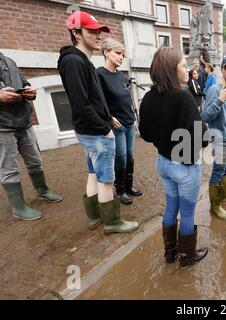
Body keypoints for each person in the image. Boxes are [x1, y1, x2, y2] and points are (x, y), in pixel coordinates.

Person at [58, 11, 139, 233]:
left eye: (98, 31)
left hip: (93, 129)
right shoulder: (74, 61)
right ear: (76, 33)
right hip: (95, 131)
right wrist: (106, 129)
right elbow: (81, 104)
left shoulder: (80, 60)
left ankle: (95, 218)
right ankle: (113, 223)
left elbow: (92, 100)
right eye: (91, 31)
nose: (97, 35)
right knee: (106, 179)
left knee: (94, 174)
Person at [139, 47, 209, 267]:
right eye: (183, 65)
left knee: (171, 207)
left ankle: (170, 253)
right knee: (187, 212)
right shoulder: (184, 97)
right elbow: (202, 138)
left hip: (163, 163)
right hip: (185, 166)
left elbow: (146, 134)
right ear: (172, 70)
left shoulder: (148, 97)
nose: (187, 69)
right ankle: (187, 256)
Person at [0, 53, 63, 221]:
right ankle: (18, 207)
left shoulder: (8, 60)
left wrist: (29, 90)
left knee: (35, 160)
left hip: (23, 120)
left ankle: (43, 191)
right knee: (9, 168)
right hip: (3, 127)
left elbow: (22, 81)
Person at [96, 38, 143, 206]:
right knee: (121, 158)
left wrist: (135, 119)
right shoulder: (99, 74)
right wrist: (109, 117)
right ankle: (120, 190)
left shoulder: (122, 76)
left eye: (123, 55)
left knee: (130, 157)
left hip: (129, 123)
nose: (121, 57)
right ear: (106, 52)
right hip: (117, 126)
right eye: (117, 53)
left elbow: (127, 100)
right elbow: (97, 100)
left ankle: (129, 186)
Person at [202, 56, 226, 221]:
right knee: (217, 172)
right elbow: (205, 116)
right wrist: (219, 100)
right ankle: (215, 207)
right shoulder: (214, 90)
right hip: (219, 139)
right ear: (222, 70)